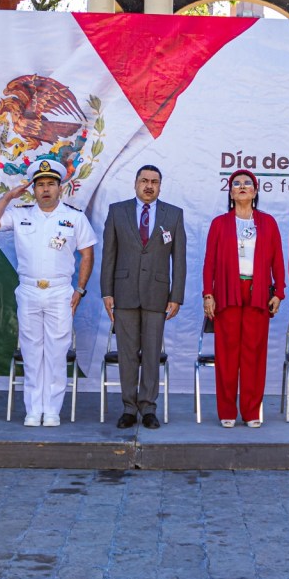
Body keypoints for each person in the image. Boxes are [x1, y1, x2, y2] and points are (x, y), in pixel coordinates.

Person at [0, 158, 96, 427]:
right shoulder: (20, 214)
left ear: (60, 188)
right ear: (33, 189)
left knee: (56, 353)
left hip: (60, 292)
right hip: (29, 290)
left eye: (51, 184)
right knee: (32, 353)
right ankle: (33, 409)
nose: (45, 189)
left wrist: (80, 288)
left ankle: (52, 409)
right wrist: (9, 195)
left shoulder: (73, 217)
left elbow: (87, 253)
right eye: (40, 184)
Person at [100, 165, 186, 430]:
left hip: (157, 295)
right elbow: (109, 256)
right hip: (123, 293)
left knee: (151, 353)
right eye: (144, 180)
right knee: (127, 354)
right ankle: (128, 407)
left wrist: (177, 296)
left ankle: (148, 408)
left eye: (154, 182)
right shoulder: (117, 211)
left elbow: (179, 259)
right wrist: (107, 292)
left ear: (160, 186)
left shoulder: (173, 214)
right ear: (135, 183)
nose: (149, 185)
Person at [203, 169, 285, 428]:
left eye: (247, 183)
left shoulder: (268, 222)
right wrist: (208, 294)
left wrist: (279, 292)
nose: (242, 187)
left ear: (255, 190)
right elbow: (209, 263)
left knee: (253, 355)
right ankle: (227, 410)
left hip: (258, 291)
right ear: (230, 192)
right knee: (226, 354)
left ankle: (251, 411)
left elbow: (277, 261)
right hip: (227, 291)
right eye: (236, 183)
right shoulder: (220, 223)